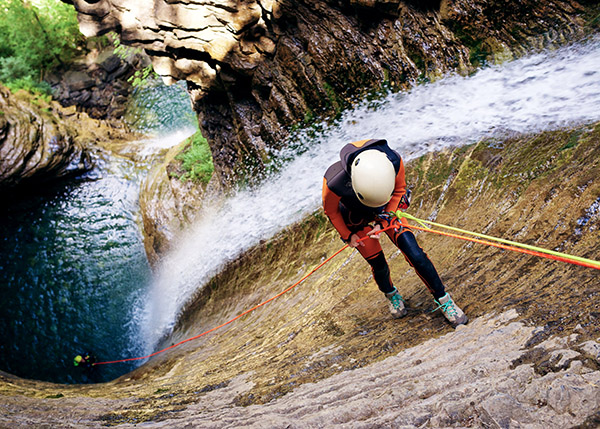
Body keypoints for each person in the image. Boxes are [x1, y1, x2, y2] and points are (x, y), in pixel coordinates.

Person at [322, 138, 467, 327]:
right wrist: (348, 235)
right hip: (355, 216)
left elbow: (399, 190)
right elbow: (331, 211)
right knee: (378, 264)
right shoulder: (333, 182)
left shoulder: (392, 160)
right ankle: (391, 294)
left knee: (415, 254)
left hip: (386, 207)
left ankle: (444, 299)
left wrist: (385, 220)